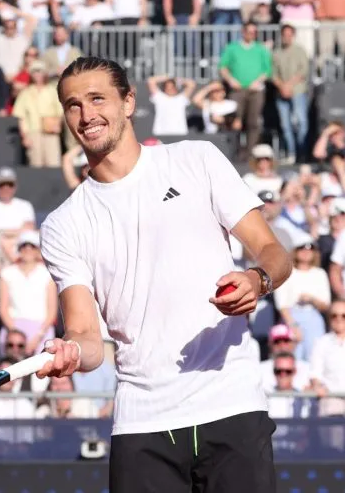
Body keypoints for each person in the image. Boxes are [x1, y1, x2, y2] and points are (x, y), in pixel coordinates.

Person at [38, 57, 291, 492]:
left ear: (129, 101)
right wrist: (73, 354)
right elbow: (87, 335)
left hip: (231, 405)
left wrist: (257, 280)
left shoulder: (197, 159)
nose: (86, 115)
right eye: (73, 105)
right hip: (142, 422)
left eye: (98, 98)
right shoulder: (63, 224)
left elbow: (273, 253)